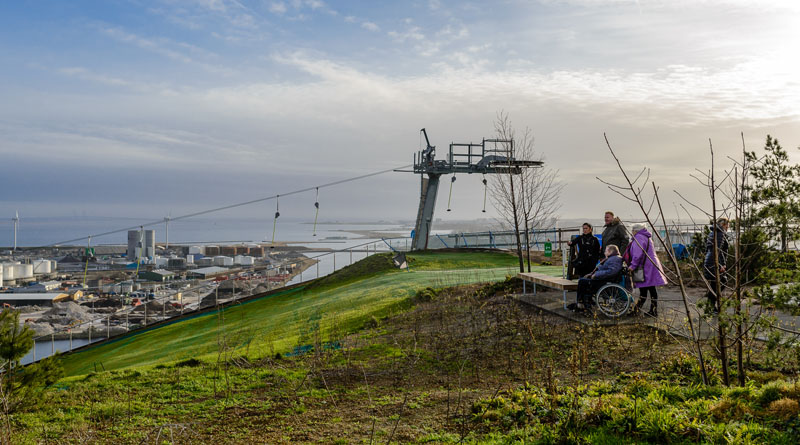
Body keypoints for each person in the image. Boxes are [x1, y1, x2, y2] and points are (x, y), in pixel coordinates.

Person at [626, 223, 668, 317]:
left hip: (645, 268)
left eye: (632, 230)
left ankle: (639, 311)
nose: (631, 232)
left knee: (644, 290)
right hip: (651, 266)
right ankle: (651, 310)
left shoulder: (639, 238)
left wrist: (632, 266)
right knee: (651, 289)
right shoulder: (646, 237)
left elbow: (637, 254)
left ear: (635, 230)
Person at [571, 244, 624, 311]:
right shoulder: (613, 258)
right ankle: (582, 303)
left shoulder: (615, 259)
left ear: (610, 252)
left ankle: (583, 304)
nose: (604, 253)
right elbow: (602, 269)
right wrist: (590, 274)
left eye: (606, 251)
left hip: (605, 281)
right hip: (604, 279)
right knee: (583, 280)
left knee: (582, 282)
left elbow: (611, 272)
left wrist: (596, 275)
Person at [703, 217, 729, 312]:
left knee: (717, 284)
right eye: (727, 225)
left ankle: (711, 306)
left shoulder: (713, 233)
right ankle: (710, 307)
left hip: (710, 261)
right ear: (723, 225)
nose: (728, 228)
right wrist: (721, 264)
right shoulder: (720, 234)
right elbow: (718, 250)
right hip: (714, 262)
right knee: (719, 283)